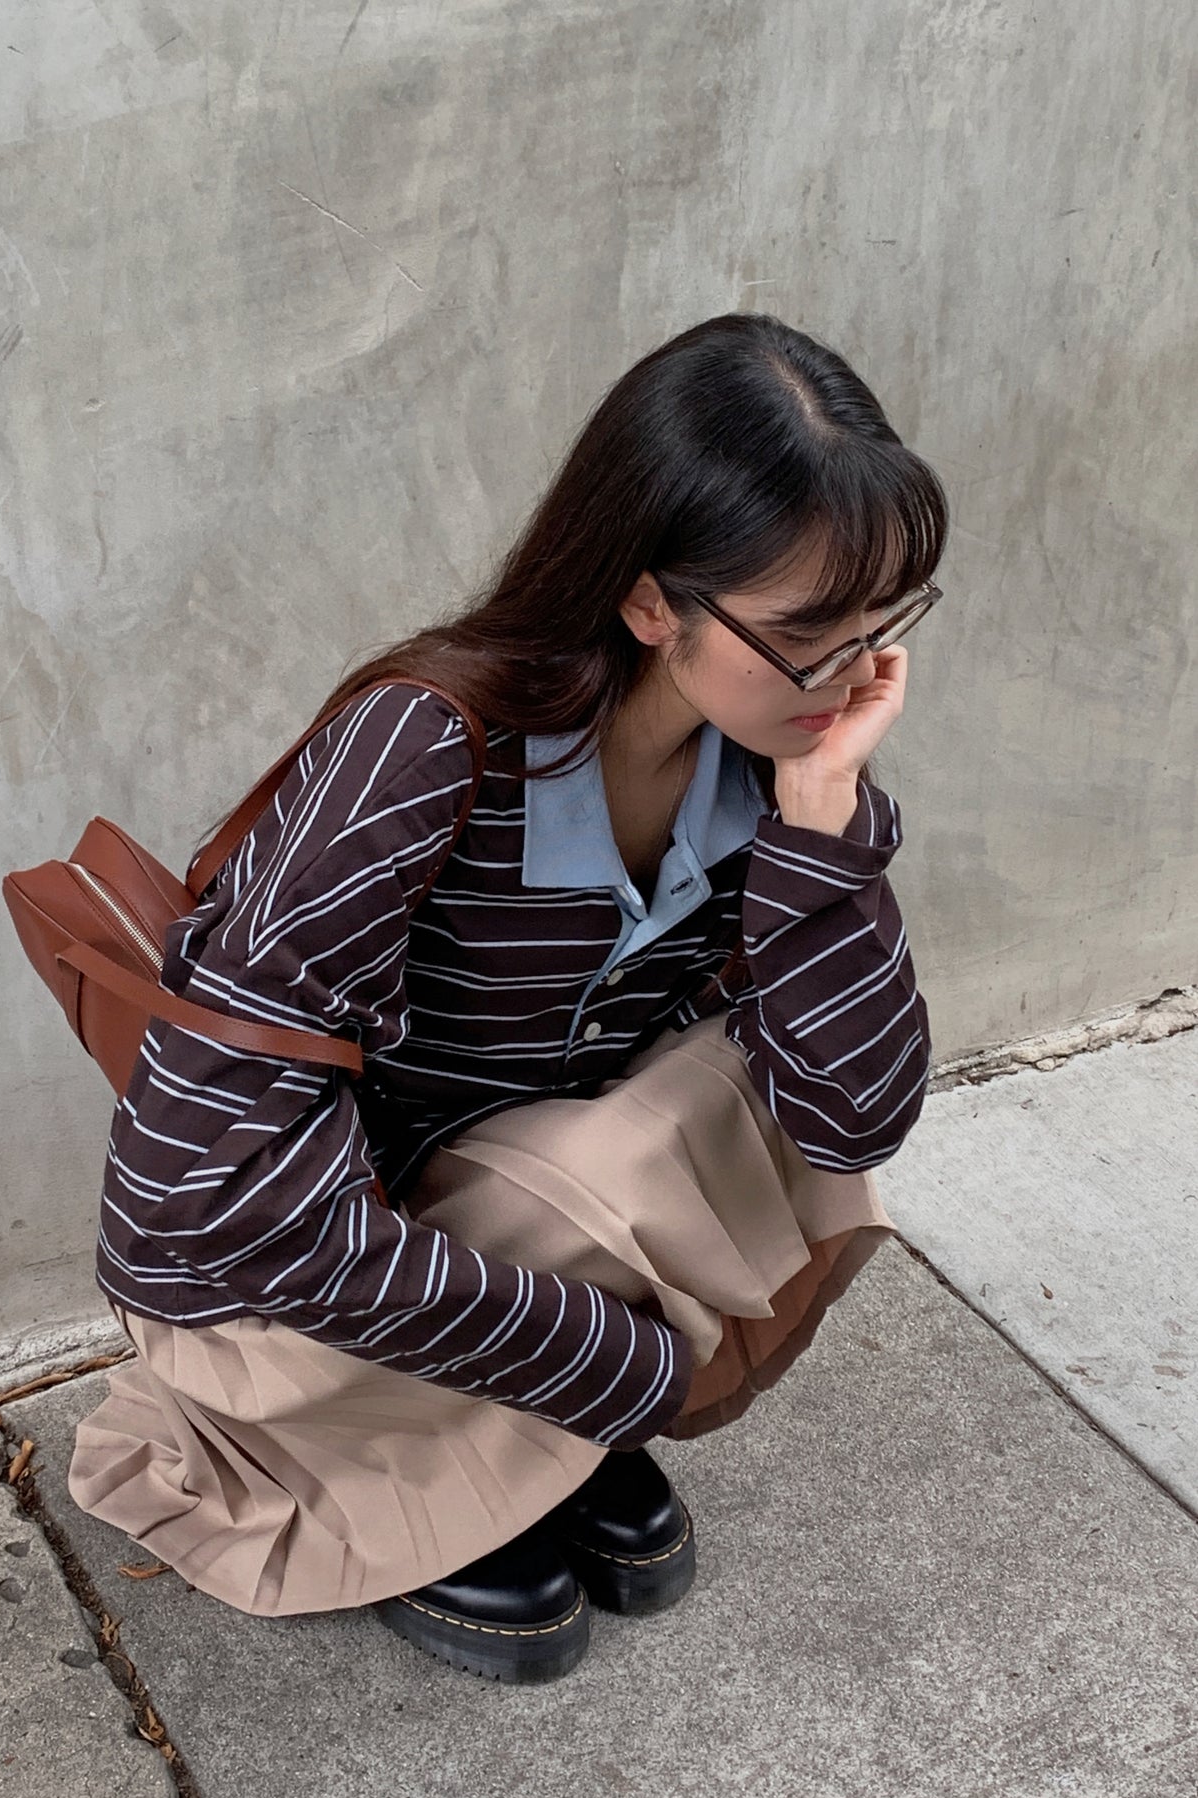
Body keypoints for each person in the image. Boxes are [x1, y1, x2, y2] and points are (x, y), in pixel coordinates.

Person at [67, 312, 947, 1684]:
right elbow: (219, 1193)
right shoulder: (429, 748)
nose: (846, 682)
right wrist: (615, 1366)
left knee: (749, 1106)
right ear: (653, 603)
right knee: (625, 1154)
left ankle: (506, 1447)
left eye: (879, 629)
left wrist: (825, 825)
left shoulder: (768, 769)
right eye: (805, 638)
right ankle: (400, 1455)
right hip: (271, 1276)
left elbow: (852, 1119)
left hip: (480, 1221)